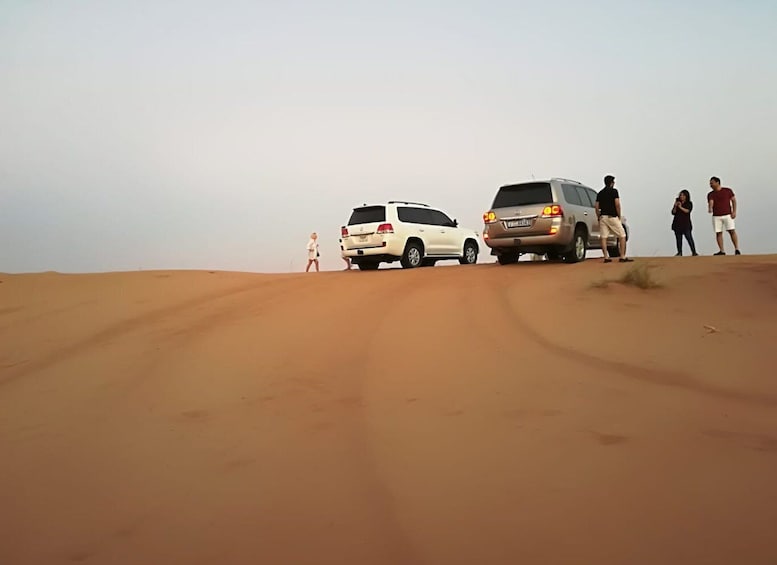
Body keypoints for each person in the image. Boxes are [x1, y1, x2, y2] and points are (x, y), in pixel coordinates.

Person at [595, 175, 633, 263]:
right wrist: (619, 215)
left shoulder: (600, 193)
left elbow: (596, 207)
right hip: (612, 216)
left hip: (603, 217)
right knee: (622, 235)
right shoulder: (614, 191)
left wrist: (598, 217)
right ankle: (622, 256)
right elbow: (617, 204)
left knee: (604, 237)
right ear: (611, 183)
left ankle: (606, 257)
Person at [707, 176, 740, 255]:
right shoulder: (710, 194)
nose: (710, 185)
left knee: (731, 231)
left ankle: (737, 249)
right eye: (710, 183)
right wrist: (710, 208)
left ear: (717, 182)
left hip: (727, 214)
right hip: (716, 215)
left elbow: (734, 200)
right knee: (718, 232)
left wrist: (734, 211)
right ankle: (722, 250)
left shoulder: (727, 191)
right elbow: (711, 202)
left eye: (712, 183)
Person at [671, 189, 698, 256]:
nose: (681, 196)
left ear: (686, 196)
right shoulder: (677, 203)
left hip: (686, 224)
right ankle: (679, 252)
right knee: (678, 239)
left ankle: (694, 252)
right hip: (677, 224)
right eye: (680, 195)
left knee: (689, 238)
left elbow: (687, 211)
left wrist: (680, 207)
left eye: (683, 195)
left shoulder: (689, 203)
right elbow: (673, 212)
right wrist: (675, 206)